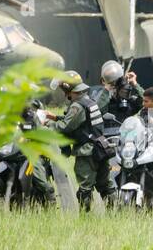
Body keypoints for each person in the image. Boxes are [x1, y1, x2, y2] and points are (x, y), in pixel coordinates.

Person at [47, 76, 116, 210]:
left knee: (85, 188)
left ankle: (85, 216)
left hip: (87, 151)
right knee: (105, 185)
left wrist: (47, 123)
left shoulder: (77, 106)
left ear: (68, 90)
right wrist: (55, 117)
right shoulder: (88, 101)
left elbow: (65, 127)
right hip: (100, 148)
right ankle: (116, 213)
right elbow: (79, 122)